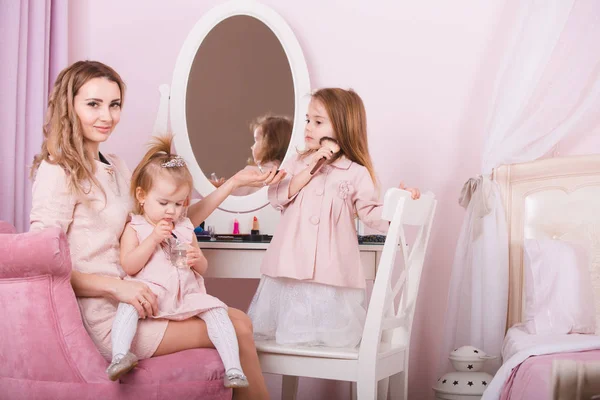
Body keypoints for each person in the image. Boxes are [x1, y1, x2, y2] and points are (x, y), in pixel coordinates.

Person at [29, 60, 282, 399]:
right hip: (105, 317)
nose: (107, 116)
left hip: (138, 301)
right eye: (93, 104)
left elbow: (171, 217)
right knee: (237, 327)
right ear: (69, 105)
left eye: (114, 104)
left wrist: (232, 184)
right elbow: (43, 264)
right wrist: (116, 289)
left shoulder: (115, 166)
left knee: (239, 324)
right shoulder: (57, 170)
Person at [248, 88, 420, 348]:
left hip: (332, 272)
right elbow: (278, 196)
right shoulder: (296, 163)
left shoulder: (355, 173)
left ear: (342, 129)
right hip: (291, 270)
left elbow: (371, 213)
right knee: (290, 338)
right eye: (308, 120)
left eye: (318, 122)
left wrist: (400, 204)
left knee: (328, 336)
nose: (308, 127)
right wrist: (313, 164)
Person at [105, 134, 247, 389]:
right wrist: (152, 240)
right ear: (141, 195)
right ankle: (119, 356)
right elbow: (129, 266)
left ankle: (234, 368)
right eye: (163, 203)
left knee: (218, 312)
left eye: (178, 204)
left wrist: (197, 258)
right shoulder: (135, 227)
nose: (171, 211)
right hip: (151, 296)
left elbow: (203, 268)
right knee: (126, 308)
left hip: (185, 295)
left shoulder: (184, 227)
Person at [213, 114, 293, 197]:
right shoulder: (286, 172)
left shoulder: (252, 173)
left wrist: (217, 184)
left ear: (270, 144)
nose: (252, 147)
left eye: (256, 140)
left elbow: (224, 191)